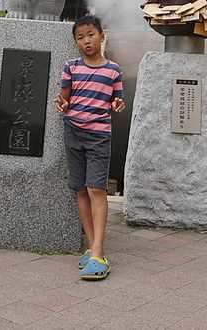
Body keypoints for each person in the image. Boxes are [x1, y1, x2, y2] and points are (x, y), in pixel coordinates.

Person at [55, 15, 125, 280]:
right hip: (73, 133)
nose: (86, 41)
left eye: (90, 35)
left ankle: (98, 252)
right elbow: (64, 98)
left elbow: (117, 100)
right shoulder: (71, 67)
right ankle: (92, 247)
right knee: (80, 189)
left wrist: (118, 105)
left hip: (99, 136)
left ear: (101, 36)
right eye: (80, 37)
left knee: (96, 188)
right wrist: (61, 104)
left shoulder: (114, 70)